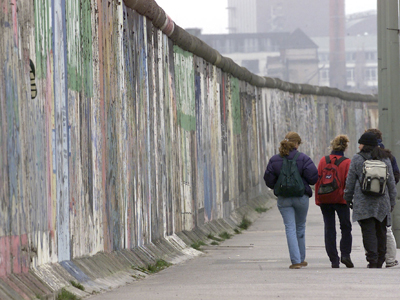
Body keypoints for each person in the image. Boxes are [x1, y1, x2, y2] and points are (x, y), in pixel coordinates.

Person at [264, 132, 318, 269]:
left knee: (290, 228)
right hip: (301, 198)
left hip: (284, 199)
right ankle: (301, 258)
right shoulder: (304, 158)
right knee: (300, 227)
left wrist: (280, 186)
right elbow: (313, 178)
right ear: (297, 144)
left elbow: (268, 179)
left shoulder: (275, 159)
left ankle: (295, 261)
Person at [344, 132, 397, 268]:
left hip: (363, 202)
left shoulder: (357, 158)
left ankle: (372, 259)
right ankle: (380, 259)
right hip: (382, 201)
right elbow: (391, 183)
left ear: (364, 144)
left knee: (368, 232)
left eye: (360, 143)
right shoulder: (385, 158)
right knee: (381, 231)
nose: (359, 146)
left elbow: (350, 181)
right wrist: (392, 201)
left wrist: (348, 198)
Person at [315, 135, 353, 268]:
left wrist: (318, 199)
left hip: (325, 199)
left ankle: (334, 260)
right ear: (345, 147)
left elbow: (318, 180)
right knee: (346, 227)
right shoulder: (347, 162)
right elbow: (349, 182)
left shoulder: (322, 160)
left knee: (329, 228)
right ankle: (345, 255)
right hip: (341, 199)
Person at [365, 128, 399, 267]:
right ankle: (389, 259)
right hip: (384, 196)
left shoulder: (365, 155)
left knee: (373, 229)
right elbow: (396, 175)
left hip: (368, 196)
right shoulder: (388, 155)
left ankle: (377, 257)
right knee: (386, 228)